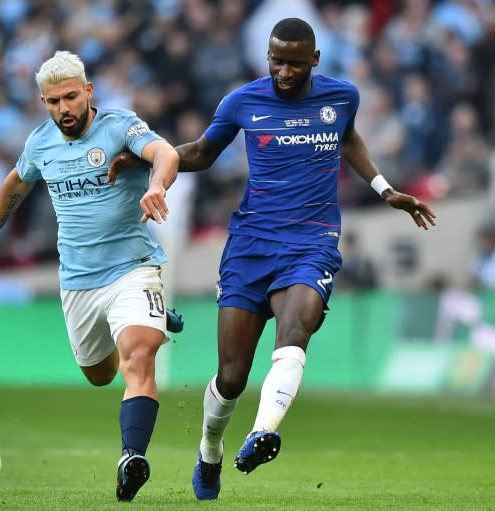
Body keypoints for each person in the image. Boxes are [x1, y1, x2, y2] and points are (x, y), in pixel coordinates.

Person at [108, 18, 436, 501]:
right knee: (232, 376)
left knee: (295, 330)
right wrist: (147, 159)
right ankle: (209, 452)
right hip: (251, 244)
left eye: (295, 63)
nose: (284, 71)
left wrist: (384, 189)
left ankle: (263, 432)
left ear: (315, 61)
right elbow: (201, 151)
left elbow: (347, 139)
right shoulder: (243, 101)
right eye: (276, 60)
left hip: (312, 241)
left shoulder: (341, 97)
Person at [0, 50, 184, 502]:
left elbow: (164, 152)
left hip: (132, 267)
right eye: (52, 101)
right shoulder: (40, 144)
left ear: (88, 91)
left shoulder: (119, 126)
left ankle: (131, 457)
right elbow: (16, 182)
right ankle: (158, 318)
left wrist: (157, 185)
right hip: (79, 282)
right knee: (99, 375)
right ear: (43, 102)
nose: (63, 108)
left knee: (138, 359)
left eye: (70, 97)